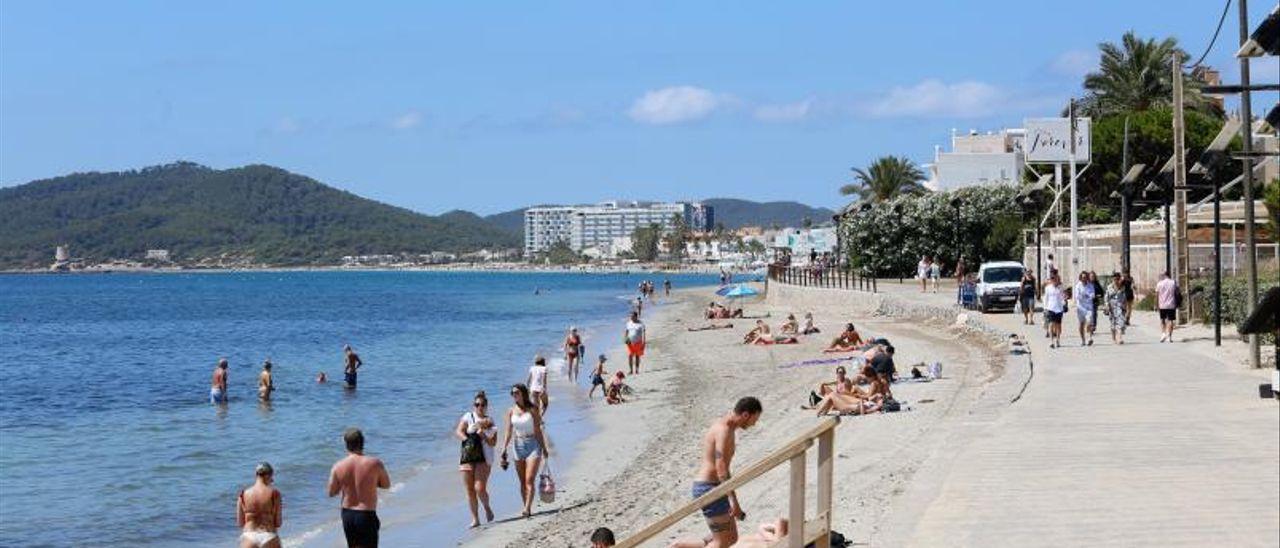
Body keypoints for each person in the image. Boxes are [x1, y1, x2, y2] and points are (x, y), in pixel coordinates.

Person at [691, 397, 763, 547]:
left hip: (715, 487)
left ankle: (681, 545)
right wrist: (733, 501)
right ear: (745, 415)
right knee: (723, 541)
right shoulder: (723, 430)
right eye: (754, 420)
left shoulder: (728, 428)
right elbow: (721, 468)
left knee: (731, 538)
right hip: (708, 488)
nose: (754, 424)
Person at [327, 428, 391, 548]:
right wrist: (370, 482)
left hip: (348, 514)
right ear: (362, 443)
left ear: (346, 444)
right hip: (366, 514)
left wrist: (346, 483)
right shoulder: (374, 463)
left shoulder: (338, 466)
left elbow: (331, 492)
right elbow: (386, 484)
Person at [499, 384, 550, 518]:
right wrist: (504, 448)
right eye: (512, 393)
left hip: (533, 444)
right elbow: (508, 431)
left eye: (516, 392)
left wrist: (544, 448)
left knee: (529, 479)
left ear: (523, 393)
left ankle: (527, 508)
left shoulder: (533, 409)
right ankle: (526, 506)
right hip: (518, 445)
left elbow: (538, 430)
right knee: (522, 481)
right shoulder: (511, 411)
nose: (514, 395)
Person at [455, 391, 498, 528]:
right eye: (477, 404)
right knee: (469, 490)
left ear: (486, 406)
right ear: (473, 405)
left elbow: (493, 443)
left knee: (479, 488)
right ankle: (475, 519)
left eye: (482, 405)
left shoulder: (490, 422)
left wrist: (483, 436)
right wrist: (468, 440)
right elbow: (458, 431)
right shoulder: (468, 417)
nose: (479, 407)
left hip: (483, 457)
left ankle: (487, 507)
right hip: (467, 455)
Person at [236, 462, 282, 548]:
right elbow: (278, 523)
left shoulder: (243, 494)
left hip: (249, 536)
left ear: (256, 475)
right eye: (271, 478)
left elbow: (240, 523)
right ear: (268, 475)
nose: (272, 481)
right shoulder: (275, 494)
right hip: (269, 536)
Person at [1073, 272, 1096, 346]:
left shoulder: (1090, 285)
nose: (1084, 279)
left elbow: (1093, 294)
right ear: (1080, 278)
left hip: (1089, 307)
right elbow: (1077, 296)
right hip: (1081, 307)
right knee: (1081, 324)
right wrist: (1084, 296)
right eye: (1083, 277)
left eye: (1085, 277)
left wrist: (1089, 295)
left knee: (1089, 322)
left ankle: (1090, 338)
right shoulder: (1078, 286)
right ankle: (1083, 340)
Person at [1042, 274, 1066, 348]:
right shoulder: (1048, 288)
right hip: (1051, 308)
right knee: (1051, 324)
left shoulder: (1061, 288)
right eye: (1053, 279)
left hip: (1059, 309)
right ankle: (1051, 341)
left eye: (1056, 279)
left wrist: (1064, 303)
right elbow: (1046, 298)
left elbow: (1063, 297)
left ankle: (1058, 340)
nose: (1054, 281)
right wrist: (1045, 308)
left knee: (1058, 326)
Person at [1104, 272, 1128, 344]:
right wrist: (1107, 306)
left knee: (1121, 322)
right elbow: (1106, 297)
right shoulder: (1109, 287)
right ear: (1113, 279)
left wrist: (1125, 305)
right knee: (1113, 323)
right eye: (1115, 279)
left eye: (1118, 279)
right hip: (1112, 307)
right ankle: (1114, 338)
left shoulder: (1123, 287)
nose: (1116, 280)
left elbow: (1124, 297)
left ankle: (1120, 338)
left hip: (1120, 307)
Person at [1155, 271, 1178, 342]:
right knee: (1170, 320)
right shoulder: (1173, 283)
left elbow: (1157, 295)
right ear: (1169, 275)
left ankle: (1163, 334)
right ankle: (1169, 336)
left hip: (1162, 305)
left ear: (1164, 275)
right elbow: (1176, 292)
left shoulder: (1159, 283)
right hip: (1171, 304)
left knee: (1162, 320)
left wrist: (1156, 305)